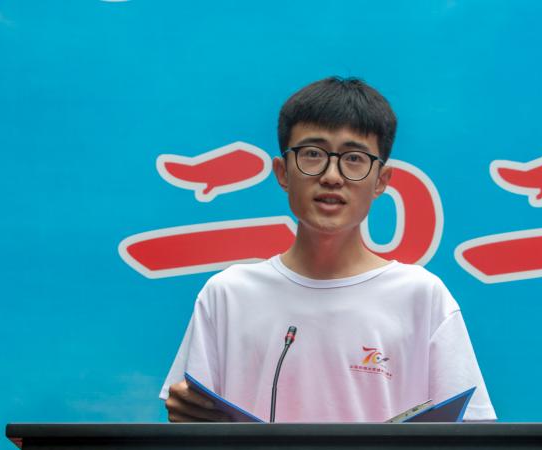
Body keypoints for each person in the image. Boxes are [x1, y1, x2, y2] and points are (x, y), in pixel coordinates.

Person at [162, 76, 495, 423]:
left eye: (354, 158)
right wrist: (186, 414)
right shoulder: (228, 294)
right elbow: (191, 425)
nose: (332, 176)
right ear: (282, 172)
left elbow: (469, 433)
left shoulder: (422, 297)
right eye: (312, 154)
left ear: (381, 180)